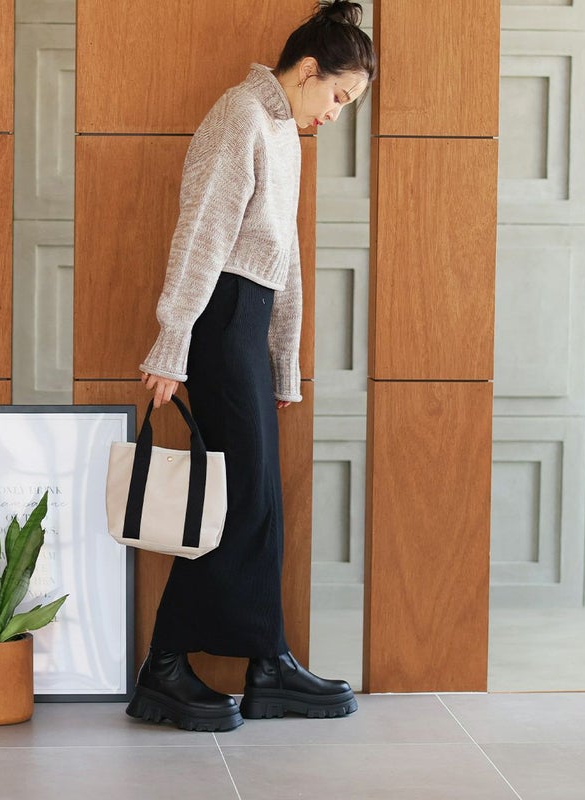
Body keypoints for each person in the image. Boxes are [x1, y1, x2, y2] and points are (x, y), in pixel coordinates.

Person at [127, 0, 377, 732]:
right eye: (338, 96)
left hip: (245, 325)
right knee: (237, 501)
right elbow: (201, 234)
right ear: (308, 69)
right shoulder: (241, 114)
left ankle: (267, 665)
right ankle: (165, 667)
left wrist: (283, 363)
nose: (335, 113)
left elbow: (284, 258)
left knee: (257, 499)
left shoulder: (284, 131)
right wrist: (172, 341)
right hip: (217, 320)